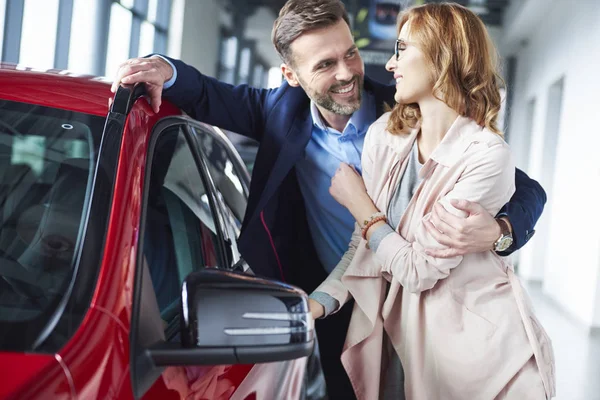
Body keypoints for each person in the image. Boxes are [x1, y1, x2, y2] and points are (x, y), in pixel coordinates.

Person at [110, 1, 547, 398]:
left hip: (431, 305)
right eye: (325, 64)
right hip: (342, 292)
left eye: (350, 54)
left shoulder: (399, 113)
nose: (346, 73)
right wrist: (165, 69)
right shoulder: (281, 115)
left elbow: (523, 186)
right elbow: (207, 94)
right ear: (292, 76)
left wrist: (502, 231)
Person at [308, 3, 556, 399]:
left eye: (402, 49)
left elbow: (418, 269)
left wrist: (359, 203)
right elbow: (364, 246)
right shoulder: (383, 137)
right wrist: (317, 303)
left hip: (477, 360)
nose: (390, 64)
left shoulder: (486, 154)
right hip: (398, 342)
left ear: (443, 55)